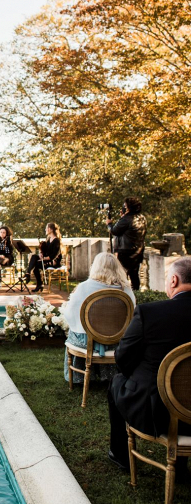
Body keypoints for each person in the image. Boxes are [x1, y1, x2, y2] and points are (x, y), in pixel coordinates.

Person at [107, 256, 191, 473]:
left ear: (173, 280)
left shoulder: (150, 313)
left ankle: (120, 455)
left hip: (159, 412)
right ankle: (181, 464)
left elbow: (123, 358)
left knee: (116, 382)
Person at [62, 252, 135, 383]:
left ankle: (79, 377)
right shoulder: (127, 290)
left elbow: (71, 315)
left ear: (95, 267)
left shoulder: (84, 287)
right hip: (117, 342)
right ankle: (109, 374)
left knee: (74, 332)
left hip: (88, 342)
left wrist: (65, 307)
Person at [106, 197, 147, 291]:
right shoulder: (141, 218)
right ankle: (135, 295)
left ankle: (122, 295)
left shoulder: (127, 219)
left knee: (121, 276)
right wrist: (123, 218)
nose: (123, 208)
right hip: (138, 251)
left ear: (128, 208)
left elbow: (114, 231)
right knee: (134, 276)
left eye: (124, 206)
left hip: (125, 252)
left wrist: (109, 224)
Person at [25, 223, 61, 293]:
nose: (45, 230)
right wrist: (41, 253)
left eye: (46, 228)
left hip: (53, 262)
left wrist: (43, 259)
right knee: (34, 257)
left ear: (50, 229)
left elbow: (53, 256)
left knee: (36, 265)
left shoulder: (56, 240)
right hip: (47, 260)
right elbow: (45, 252)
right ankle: (29, 273)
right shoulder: (48, 239)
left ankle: (38, 282)